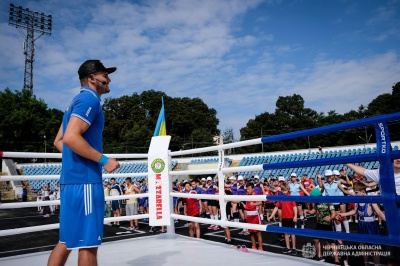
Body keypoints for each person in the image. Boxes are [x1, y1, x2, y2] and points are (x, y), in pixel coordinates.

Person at [48, 59, 120, 266]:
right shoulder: (90, 100)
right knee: (88, 245)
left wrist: (77, 157)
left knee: (66, 241)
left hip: (72, 181)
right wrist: (102, 159)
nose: (109, 79)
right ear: (91, 79)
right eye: (104, 75)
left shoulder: (75, 102)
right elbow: (70, 138)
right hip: (86, 182)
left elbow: (59, 140)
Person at [337, 182, 386, 266]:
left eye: (356, 192)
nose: (355, 194)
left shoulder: (371, 200)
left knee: (374, 247)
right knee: (362, 245)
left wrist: (387, 220)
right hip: (361, 224)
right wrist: (343, 214)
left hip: (371, 225)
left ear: (363, 191)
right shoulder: (358, 201)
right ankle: (366, 263)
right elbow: (355, 211)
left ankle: (377, 264)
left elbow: (378, 211)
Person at [307, 188, 340, 264]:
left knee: (332, 242)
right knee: (316, 239)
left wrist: (331, 218)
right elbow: (312, 211)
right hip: (319, 223)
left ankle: (337, 260)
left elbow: (333, 212)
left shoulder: (327, 201)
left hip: (328, 224)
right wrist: (308, 209)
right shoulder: (317, 203)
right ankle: (319, 255)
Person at [267, 183, 297, 255]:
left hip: (291, 217)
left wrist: (295, 216)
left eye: (285, 190)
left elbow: (294, 207)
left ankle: (294, 248)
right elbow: (276, 207)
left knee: (292, 233)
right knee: (286, 233)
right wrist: (271, 216)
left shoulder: (291, 197)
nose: (284, 192)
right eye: (283, 190)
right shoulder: (281, 198)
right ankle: (288, 247)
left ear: (288, 190)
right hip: (284, 217)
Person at [245, 183, 263, 250]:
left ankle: (260, 247)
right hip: (249, 215)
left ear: (253, 189)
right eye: (247, 189)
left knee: (258, 232)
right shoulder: (247, 196)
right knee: (251, 233)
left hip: (255, 215)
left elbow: (261, 202)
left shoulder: (256, 195)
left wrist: (254, 204)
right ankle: (254, 246)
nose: (248, 190)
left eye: (249, 189)